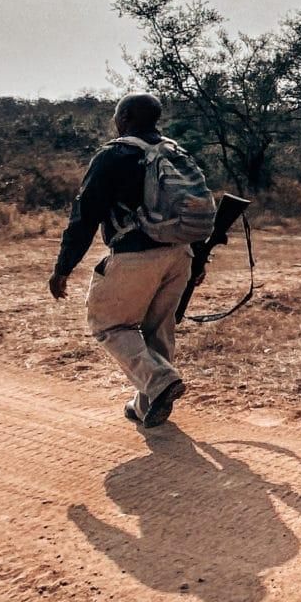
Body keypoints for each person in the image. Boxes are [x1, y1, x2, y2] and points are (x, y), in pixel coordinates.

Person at [49, 93, 213, 429]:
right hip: (180, 254)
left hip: (136, 255)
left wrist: (63, 267)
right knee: (158, 330)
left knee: (108, 324)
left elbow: (85, 215)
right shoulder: (175, 152)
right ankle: (146, 404)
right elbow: (190, 206)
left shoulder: (115, 154)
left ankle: (159, 381)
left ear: (124, 117)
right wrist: (197, 261)